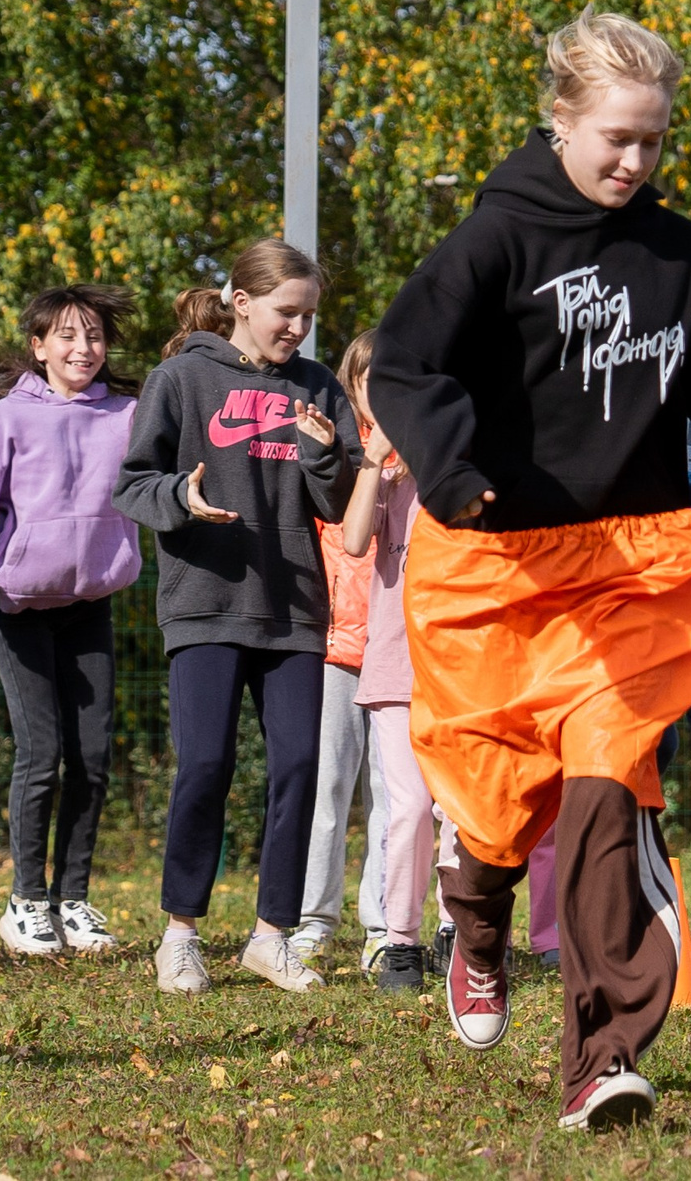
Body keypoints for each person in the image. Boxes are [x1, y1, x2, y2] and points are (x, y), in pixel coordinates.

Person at [369, 7, 691, 1132]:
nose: (634, 161)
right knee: (489, 811)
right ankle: (473, 921)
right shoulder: (493, 240)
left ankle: (604, 1055)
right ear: (559, 119)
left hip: (625, 568)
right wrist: (448, 466)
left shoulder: (682, 256)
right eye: (615, 138)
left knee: (606, 786)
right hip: (489, 564)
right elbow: (404, 361)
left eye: (653, 141)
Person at [113, 240, 359, 997]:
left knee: (297, 769)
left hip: (293, 612)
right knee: (207, 766)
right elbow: (132, 485)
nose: (299, 329)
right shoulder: (181, 377)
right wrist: (179, 501)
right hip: (205, 604)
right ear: (242, 302)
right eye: (288, 312)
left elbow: (343, 503)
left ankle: (272, 937)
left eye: (310, 316)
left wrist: (324, 459)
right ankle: (181, 935)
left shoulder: (318, 387)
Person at [0, 284, 141, 960]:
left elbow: (163, 474)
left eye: (94, 337)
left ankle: (73, 899)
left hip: (91, 607)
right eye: (67, 336)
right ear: (38, 346)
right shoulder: (8, 419)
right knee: (42, 753)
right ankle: (26, 901)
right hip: (21, 609)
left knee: (92, 758)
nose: (83, 349)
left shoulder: (128, 415)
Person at [344, 337, 443, 991]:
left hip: (463, 663)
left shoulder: (450, 455)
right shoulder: (376, 468)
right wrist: (374, 464)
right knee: (407, 807)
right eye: (370, 385)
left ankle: (461, 930)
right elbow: (354, 541)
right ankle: (400, 941)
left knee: (461, 812)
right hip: (394, 660)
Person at [291, 330, 392, 965]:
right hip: (330, 645)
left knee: (394, 795)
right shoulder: (331, 444)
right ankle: (312, 919)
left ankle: (384, 928)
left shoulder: (423, 449)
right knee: (325, 786)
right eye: (369, 379)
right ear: (350, 384)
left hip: (397, 651)